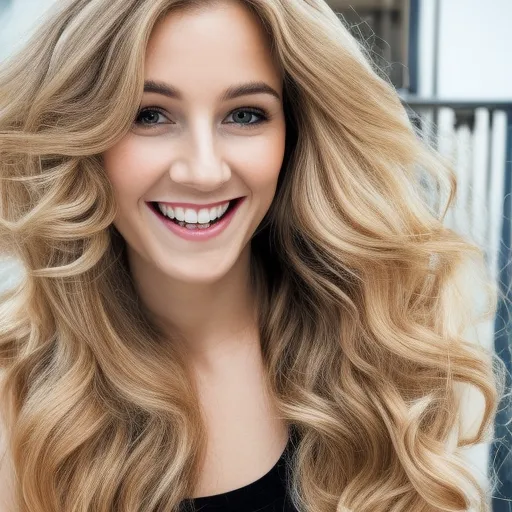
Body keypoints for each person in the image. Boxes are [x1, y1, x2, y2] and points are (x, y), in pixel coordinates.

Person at [0, 0, 505, 511]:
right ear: (81, 134)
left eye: (245, 115)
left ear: (296, 134)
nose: (204, 171)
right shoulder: (15, 396)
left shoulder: (378, 353)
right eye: (148, 114)